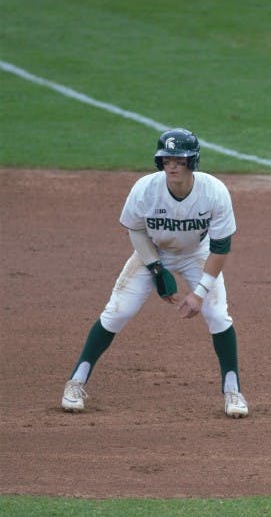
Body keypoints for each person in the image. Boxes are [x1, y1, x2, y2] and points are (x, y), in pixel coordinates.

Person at [61, 128, 249, 418]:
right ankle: (75, 382)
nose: (171, 166)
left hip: (197, 254)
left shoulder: (214, 192)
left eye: (179, 160)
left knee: (218, 315)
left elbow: (220, 247)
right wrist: (156, 268)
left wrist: (198, 294)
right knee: (119, 311)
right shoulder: (145, 188)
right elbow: (136, 228)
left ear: (192, 162)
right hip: (152, 250)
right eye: (166, 160)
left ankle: (233, 390)